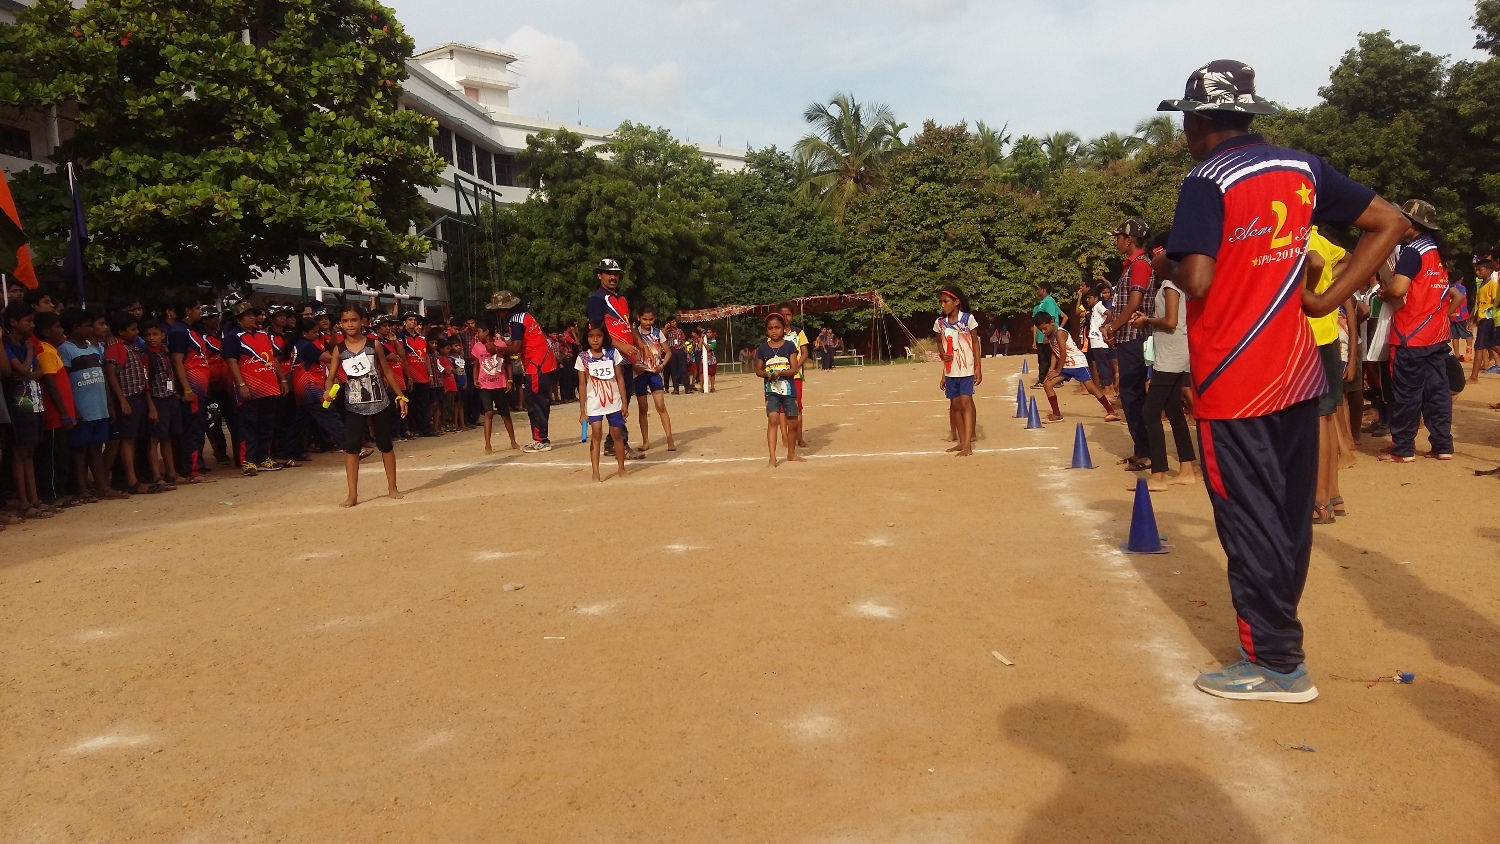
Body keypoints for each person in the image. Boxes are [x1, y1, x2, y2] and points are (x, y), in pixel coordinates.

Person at [1153, 59, 1407, 702]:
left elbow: (1200, 281)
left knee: (1248, 519)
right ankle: (1281, 647)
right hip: (1296, 368)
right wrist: (1324, 303)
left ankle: (1276, 663)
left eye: (1185, 120)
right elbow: (1390, 223)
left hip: (1235, 381)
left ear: (1200, 120)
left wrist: (1166, 261)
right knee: (1288, 517)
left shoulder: (1205, 179)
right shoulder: (1302, 168)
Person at [1381, 200, 1461, 463]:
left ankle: (1403, 449)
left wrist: (1386, 292)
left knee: (1407, 393)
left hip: (1410, 334)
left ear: (1411, 223)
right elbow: (1450, 294)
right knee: (1437, 393)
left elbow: (1399, 289)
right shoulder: (1438, 252)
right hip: (1436, 334)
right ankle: (1443, 446)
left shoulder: (1412, 251)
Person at [322, 305, 408, 507]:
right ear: (341, 324)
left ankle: (392, 487)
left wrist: (401, 396)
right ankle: (352, 494)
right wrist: (328, 391)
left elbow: (386, 371)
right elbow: (331, 377)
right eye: (345, 321)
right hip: (353, 404)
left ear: (362, 322)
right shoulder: (339, 350)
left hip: (380, 402)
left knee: (385, 445)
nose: (350, 324)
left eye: (353, 320)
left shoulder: (374, 345)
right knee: (352, 448)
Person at [1128, 260, 1195, 491]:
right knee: (1175, 411)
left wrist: (1146, 320)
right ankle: (1186, 471)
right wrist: (1147, 318)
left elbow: (1171, 321)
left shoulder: (1170, 283)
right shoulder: (1178, 283)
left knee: (1150, 412)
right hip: (1174, 353)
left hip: (1171, 356)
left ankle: (1159, 475)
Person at [1303, 228, 1354, 519]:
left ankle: (1319, 500)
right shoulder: (1321, 238)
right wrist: (1326, 290)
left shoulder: (1296, 238)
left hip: (1309, 336)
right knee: (1328, 416)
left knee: (1318, 419)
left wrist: (1311, 290)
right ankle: (1333, 494)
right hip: (1328, 334)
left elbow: (1317, 263)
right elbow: (1347, 260)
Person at [1103, 219, 1155, 472]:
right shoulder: (1129, 266)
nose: (1116, 241)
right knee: (1130, 394)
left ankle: (1148, 451)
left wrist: (1113, 328)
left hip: (1136, 337)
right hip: (1127, 337)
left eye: (1118, 237)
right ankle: (1140, 448)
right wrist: (1111, 327)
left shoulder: (1141, 265)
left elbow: (1134, 303)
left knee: (1133, 394)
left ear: (1129, 239)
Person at [59, 308, 124, 503]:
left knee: (96, 447)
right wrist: (74, 409)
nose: (90, 329)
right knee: (79, 451)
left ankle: (102, 486)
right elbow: (65, 382)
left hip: (99, 408)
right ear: (75, 328)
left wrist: (109, 404)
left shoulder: (93, 349)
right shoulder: (66, 349)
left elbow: (102, 377)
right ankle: (82, 487)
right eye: (87, 326)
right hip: (82, 409)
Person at [487, 290, 557, 453]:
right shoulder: (523, 316)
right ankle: (539, 437)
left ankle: (542, 439)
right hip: (540, 361)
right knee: (535, 399)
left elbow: (516, 346)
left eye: (499, 309)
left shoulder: (516, 320)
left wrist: (496, 348)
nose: (497, 313)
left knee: (535, 400)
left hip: (536, 362)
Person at [587, 259, 644, 458]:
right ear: (599, 275)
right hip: (609, 358)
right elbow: (597, 331)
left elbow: (626, 327)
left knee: (624, 399)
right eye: (608, 273)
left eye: (616, 274)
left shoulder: (621, 299)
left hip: (625, 358)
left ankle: (613, 442)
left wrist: (638, 344)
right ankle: (621, 443)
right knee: (617, 401)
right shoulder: (597, 299)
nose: (613, 277)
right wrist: (621, 347)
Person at [222, 300, 284, 476]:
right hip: (248, 389)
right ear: (238, 319)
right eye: (247, 315)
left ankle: (263, 457)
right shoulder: (233, 337)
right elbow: (231, 362)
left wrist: (282, 380)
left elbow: (273, 359)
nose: (252, 317)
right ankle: (247, 461)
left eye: (252, 314)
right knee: (247, 425)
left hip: (269, 388)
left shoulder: (263, 334)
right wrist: (241, 384)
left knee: (266, 424)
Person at [4, 302, 48, 518]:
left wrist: (29, 372)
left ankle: (34, 498)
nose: (32, 325)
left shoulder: (26, 342)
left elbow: (39, 372)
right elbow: (22, 368)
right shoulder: (9, 344)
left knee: (30, 452)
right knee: (20, 453)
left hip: (33, 399)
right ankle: (23, 501)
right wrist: (30, 354)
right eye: (27, 321)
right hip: (19, 402)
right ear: (13, 322)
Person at [1035, 312, 1119, 423]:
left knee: (1091, 388)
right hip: (1065, 365)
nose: (1043, 331)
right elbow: (1055, 353)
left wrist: (1057, 371)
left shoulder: (1060, 333)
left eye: (1044, 328)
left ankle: (1111, 411)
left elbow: (1063, 352)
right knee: (1047, 384)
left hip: (1077, 363)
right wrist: (1052, 369)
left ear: (1051, 322)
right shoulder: (1049, 335)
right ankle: (1057, 414)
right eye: (1041, 330)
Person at [102, 312, 152, 494]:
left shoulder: (130, 346)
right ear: (121, 331)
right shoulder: (115, 347)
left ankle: (132, 477)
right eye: (132, 329)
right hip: (128, 397)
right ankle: (130, 479)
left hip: (137, 396)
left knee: (133, 439)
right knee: (127, 439)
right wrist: (122, 400)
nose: (136, 332)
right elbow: (110, 373)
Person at [575, 322, 629, 482]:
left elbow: (620, 378)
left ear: (604, 337)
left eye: (598, 336)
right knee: (596, 433)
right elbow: (582, 384)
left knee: (617, 433)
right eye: (591, 336)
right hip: (594, 402)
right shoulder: (583, 358)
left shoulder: (612, 353)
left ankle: (621, 467)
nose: (595, 340)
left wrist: (624, 403)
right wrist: (582, 411)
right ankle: (595, 472)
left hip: (613, 401)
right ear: (587, 338)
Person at [934, 287, 983, 456]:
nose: (942, 305)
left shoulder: (968, 319)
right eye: (941, 302)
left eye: (945, 301)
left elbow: (975, 343)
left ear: (956, 302)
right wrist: (943, 357)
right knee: (955, 406)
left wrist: (978, 367)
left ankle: (968, 445)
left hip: (967, 368)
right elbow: (940, 344)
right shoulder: (940, 323)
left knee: (966, 404)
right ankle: (961, 442)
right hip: (950, 371)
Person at [755, 313, 802, 467]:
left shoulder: (789, 346)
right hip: (771, 390)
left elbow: (794, 369)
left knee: (792, 422)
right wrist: (767, 374)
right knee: (773, 419)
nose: (774, 331)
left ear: (783, 328)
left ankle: (791, 453)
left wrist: (781, 373)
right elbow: (758, 371)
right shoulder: (763, 348)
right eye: (770, 328)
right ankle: (772, 457)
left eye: (777, 327)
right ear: (766, 331)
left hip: (788, 389)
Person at [141, 321, 183, 488]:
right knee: (154, 439)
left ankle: (171, 472)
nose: (152, 338)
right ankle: (157, 475)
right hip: (157, 399)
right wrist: (151, 406)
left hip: (169, 397)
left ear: (163, 335)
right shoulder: (146, 356)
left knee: (168, 437)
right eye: (148, 335)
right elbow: (145, 383)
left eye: (155, 334)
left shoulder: (165, 352)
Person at [632, 303, 676, 452]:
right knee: (643, 408)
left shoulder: (658, 333)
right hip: (639, 374)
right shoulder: (634, 334)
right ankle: (645, 441)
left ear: (654, 318)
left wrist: (662, 366)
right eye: (644, 319)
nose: (648, 322)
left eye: (650, 319)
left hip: (655, 373)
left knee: (660, 405)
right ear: (639, 318)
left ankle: (670, 439)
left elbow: (668, 352)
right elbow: (627, 353)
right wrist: (634, 367)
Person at [472, 322, 519, 453]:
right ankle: (488, 444)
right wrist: (475, 379)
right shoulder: (477, 347)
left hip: (499, 383)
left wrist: (509, 380)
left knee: (505, 414)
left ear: (486, 331)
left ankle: (513, 441)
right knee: (488, 412)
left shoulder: (501, 345)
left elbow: (508, 363)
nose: (477, 334)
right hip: (484, 384)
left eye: (479, 331)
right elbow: (476, 364)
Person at [397, 312, 437, 438]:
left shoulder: (422, 338)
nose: (412, 322)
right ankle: (411, 428)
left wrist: (430, 375)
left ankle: (425, 429)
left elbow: (425, 357)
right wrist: (408, 377)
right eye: (410, 319)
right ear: (404, 322)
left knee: (424, 404)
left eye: (414, 320)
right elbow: (402, 358)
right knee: (411, 404)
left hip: (423, 376)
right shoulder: (400, 337)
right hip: (410, 376)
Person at [777, 304, 809, 447]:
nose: (785, 317)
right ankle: (784, 437)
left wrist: (795, 367)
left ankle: (799, 437)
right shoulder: (775, 332)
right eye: (782, 315)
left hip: (795, 376)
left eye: (788, 314)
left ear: (792, 316)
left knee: (797, 407)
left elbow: (805, 352)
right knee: (782, 409)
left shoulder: (798, 332)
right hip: (780, 377)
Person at [1469, 258, 1497, 381]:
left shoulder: (1492, 285)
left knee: (1479, 347)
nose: (1477, 272)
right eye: (1476, 270)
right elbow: (1480, 304)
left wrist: (1488, 317)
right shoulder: (1482, 285)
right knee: (1493, 345)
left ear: (1489, 271)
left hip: (1487, 319)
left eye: (1480, 270)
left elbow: (1495, 303)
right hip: (1482, 318)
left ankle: (1474, 377)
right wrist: (1474, 317)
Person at [1031, 284, 1062, 388]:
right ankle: (1045, 378)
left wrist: (1047, 335)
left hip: (1046, 337)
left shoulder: (1049, 301)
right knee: (1042, 358)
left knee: (1047, 358)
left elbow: (1050, 318)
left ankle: (1047, 379)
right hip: (1041, 337)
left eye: (1038, 289)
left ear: (1044, 290)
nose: (1037, 291)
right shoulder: (1041, 303)